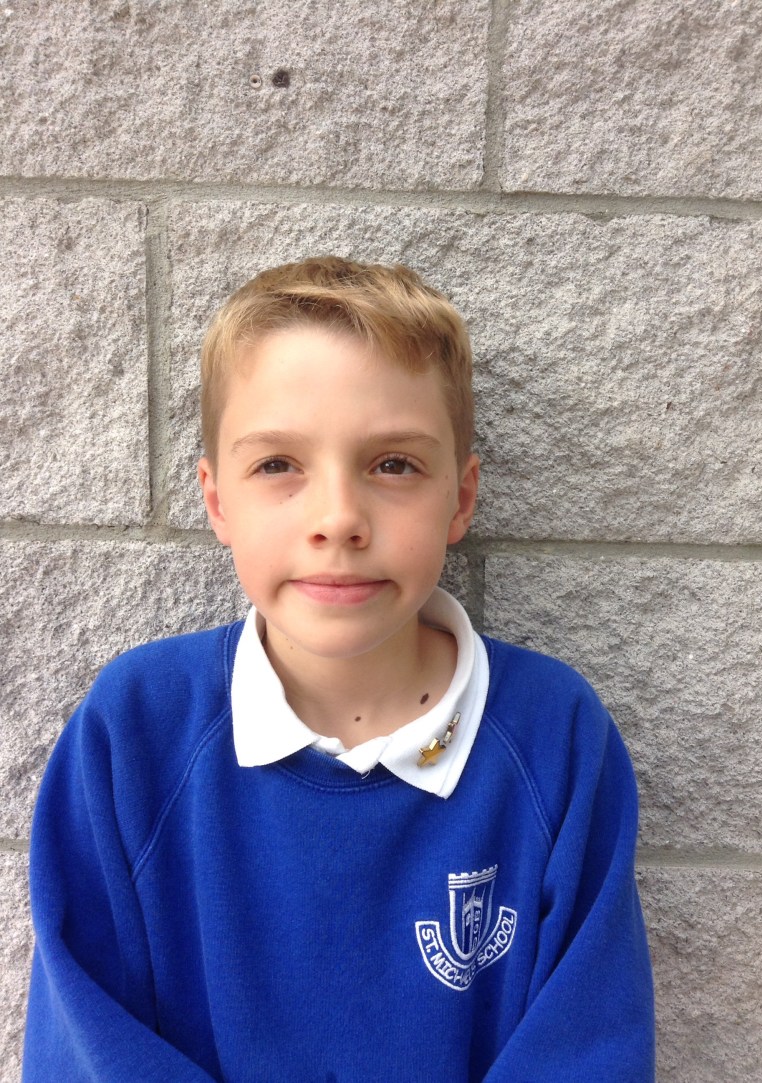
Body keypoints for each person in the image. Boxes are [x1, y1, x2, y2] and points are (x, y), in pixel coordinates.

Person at [23, 257, 654, 1081]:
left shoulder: (556, 738)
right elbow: (86, 1048)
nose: (338, 518)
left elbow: (588, 1050)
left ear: (461, 497)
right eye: (277, 464)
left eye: (393, 464)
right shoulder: (133, 730)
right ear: (216, 499)